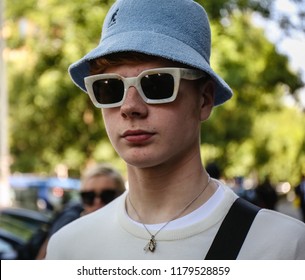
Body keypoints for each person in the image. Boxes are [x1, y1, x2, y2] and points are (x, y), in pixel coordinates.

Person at [46, 0, 305, 259]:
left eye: (157, 84)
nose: (129, 107)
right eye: (109, 88)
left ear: (204, 100)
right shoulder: (68, 248)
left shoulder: (283, 246)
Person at [35, 163, 125, 259]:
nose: (97, 201)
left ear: (122, 195)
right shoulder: (68, 224)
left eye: (107, 195)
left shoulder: (130, 228)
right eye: (89, 196)